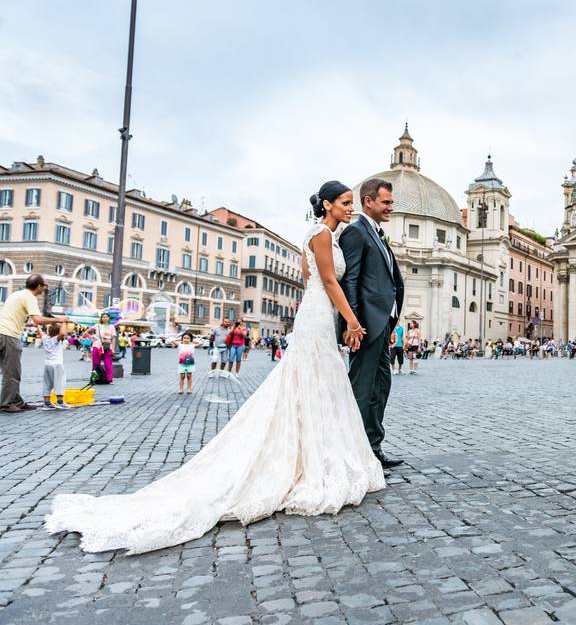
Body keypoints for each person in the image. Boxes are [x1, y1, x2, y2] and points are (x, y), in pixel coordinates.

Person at [45, 181, 385, 554]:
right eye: (345, 202)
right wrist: (351, 321)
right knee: (315, 383)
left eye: (352, 202)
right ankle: (315, 462)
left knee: (313, 384)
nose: (350, 207)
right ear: (327, 205)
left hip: (314, 313)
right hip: (320, 313)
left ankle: (311, 456)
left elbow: (309, 280)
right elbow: (329, 281)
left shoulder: (319, 235)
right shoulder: (322, 234)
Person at [337, 178, 405, 470]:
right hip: (366, 325)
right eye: (386, 202)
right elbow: (350, 280)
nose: (391, 207)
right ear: (369, 201)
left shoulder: (375, 232)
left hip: (383, 324)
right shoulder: (356, 232)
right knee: (362, 388)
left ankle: (372, 446)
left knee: (381, 386)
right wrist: (353, 323)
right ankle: (352, 450)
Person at [0, 275, 69, 413]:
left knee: (12, 370)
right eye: (45, 286)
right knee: (12, 372)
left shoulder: (18, 294)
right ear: (39, 286)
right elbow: (37, 320)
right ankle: (6, 404)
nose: (45, 289)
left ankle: (17, 401)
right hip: (9, 335)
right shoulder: (30, 297)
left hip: (3, 333)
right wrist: (61, 319)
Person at [41, 322, 70, 410]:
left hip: (47, 364)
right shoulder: (55, 339)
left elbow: (40, 331)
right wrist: (64, 322)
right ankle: (60, 402)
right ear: (58, 332)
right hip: (57, 364)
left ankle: (47, 403)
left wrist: (38, 325)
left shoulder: (45, 338)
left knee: (47, 384)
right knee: (59, 382)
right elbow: (63, 334)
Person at [83, 313, 117, 384]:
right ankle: (93, 379)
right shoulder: (97, 325)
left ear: (109, 318)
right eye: (103, 317)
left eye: (106, 317)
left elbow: (113, 338)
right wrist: (92, 340)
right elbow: (85, 333)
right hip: (97, 346)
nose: (105, 318)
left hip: (107, 347)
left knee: (108, 365)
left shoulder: (111, 327)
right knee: (95, 364)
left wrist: (113, 349)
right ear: (101, 318)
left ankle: (109, 379)